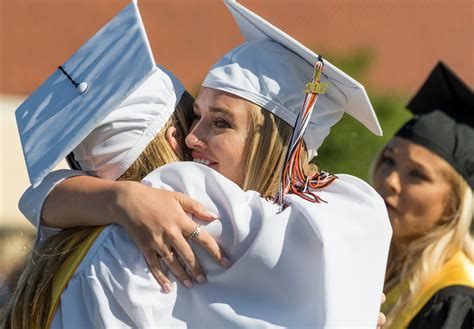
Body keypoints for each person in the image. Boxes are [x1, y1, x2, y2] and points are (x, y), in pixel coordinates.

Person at [6, 0, 391, 327]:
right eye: (194, 118)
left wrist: (116, 198)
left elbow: (41, 197)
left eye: (219, 122)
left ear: (278, 141)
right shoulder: (177, 219)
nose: (192, 139)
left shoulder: (97, 235)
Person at [375, 62, 473, 328]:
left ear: (454, 204)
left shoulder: (456, 300)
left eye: (417, 174)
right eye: (389, 160)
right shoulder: (371, 263)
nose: (391, 180)